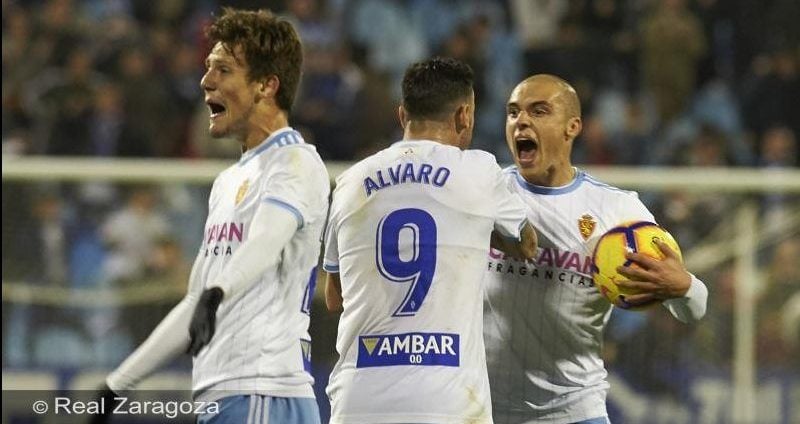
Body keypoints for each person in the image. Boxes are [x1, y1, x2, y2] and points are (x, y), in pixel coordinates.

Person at [93, 8, 329, 423]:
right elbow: (194, 301)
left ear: (266, 85)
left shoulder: (295, 162)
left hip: (264, 392)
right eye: (207, 68)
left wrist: (216, 292)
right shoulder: (227, 182)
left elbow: (265, 242)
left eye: (222, 70)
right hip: (226, 394)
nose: (206, 82)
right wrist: (117, 386)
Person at [322, 57, 538, 424]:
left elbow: (334, 296)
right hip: (448, 400)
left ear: (402, 115)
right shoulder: (479, 170)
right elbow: (527, 245)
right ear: (464, 116)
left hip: (358, 398)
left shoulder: (351, 181)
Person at [483, 74, 709, 424]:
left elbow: (693, 308)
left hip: (574, 412)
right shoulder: (485, 192)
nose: (522, 121)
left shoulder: (619, 212)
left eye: (539, 111)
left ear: (572, 127)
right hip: (483, 411)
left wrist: (684, 287)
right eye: (513, 113)